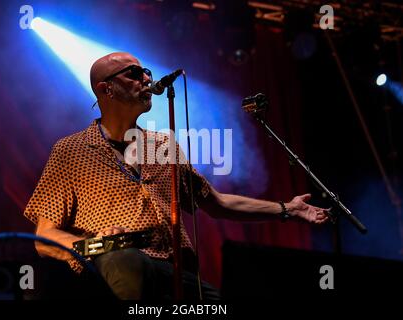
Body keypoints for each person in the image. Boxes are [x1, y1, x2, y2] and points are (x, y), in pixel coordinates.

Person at [24, 52, 329, 300]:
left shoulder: (162, 145)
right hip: (113, 269)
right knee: (126, 260)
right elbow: (44, 238)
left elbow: (217, 202)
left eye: (146, 71)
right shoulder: (71, 150)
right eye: (134, 73)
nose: (147, 78)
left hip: (176, 272)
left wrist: (288, 209)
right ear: (106, 88)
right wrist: (98, 245)